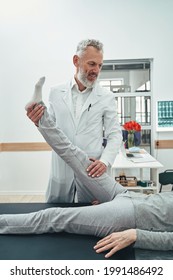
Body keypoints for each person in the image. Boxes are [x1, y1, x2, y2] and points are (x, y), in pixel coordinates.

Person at [1, 104, 173, 258]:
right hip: (129, 196)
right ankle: (41, 119)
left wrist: (136, 235)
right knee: (77, 157)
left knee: (55, 216)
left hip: (130, 216)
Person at [26, 39, 122, 203]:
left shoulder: (106, 97)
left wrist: (105, 162)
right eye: (92, 64)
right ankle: (36, 105)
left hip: (91, 169)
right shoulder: (56, 92)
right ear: (76, 61)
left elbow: (115, 135)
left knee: (93, 220)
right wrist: (37, 121)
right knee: (55, 217)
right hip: (62, 168)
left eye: (100, 65)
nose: (96, 70)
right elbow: (52, 130)